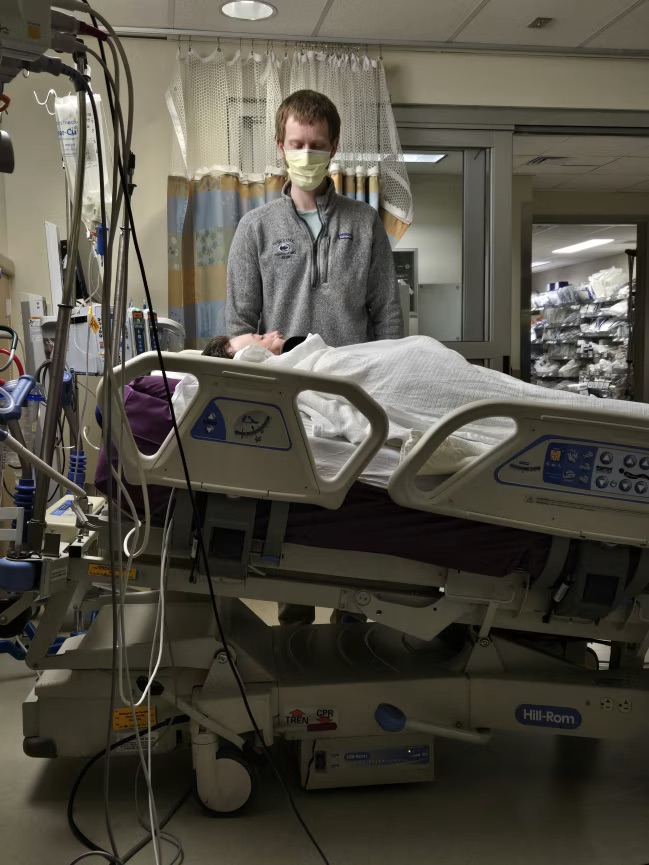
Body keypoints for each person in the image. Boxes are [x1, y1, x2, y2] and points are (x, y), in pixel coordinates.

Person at [225, 89, 403, 348]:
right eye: (297, 145)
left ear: (333, 147)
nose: (306, 155)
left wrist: (392, 369)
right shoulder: (255, 227)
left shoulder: (365, 221)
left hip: (352, 378)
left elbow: (388, 314)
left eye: (317, 146)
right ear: (281, 146)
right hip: (284, 380)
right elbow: (239, 326)